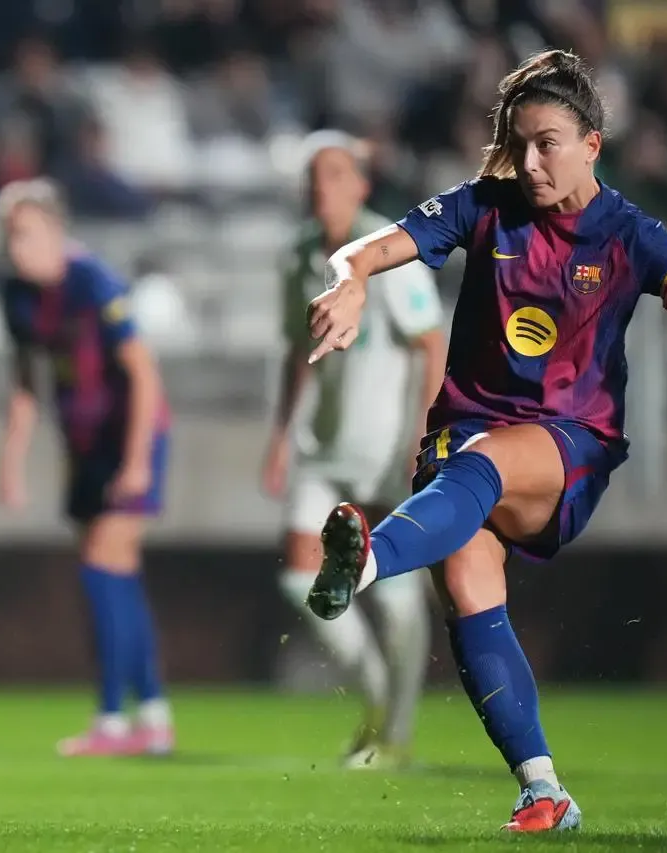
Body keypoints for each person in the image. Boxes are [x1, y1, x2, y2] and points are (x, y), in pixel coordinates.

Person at [301, 49, 667, 833]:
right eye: (517, 144)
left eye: (546, 142)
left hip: (566, 442)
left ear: (592, 143)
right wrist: (347, 280)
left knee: (479, 469)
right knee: (470, 594)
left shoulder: (630, 234)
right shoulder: (485, 205)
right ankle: (542, 787)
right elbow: (369, 247)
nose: (528, 161)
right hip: (463, 441)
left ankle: (370, 558)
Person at [264, 130, 447, 770]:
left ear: (361, 185)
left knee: (396, 597)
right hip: (323, 446)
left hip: (387, 451)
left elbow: (430, 344)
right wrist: (282, 436)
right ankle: (374, 700)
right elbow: (298, 351)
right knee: (297, 576)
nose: (323, 187)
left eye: (337, 174)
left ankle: (393, 734)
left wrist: (425, 438)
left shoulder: (388, 251)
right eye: (316, 176)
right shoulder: (298, 257)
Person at [0, 178, 175, 757]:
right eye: (9, 237)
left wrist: (138, 462)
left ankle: (111, 720)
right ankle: (152, 717)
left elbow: (144, 373)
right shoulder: (17, 296)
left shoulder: (94, 282)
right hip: (85, 445)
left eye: (24, 234)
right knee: (114, 571)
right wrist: (12, 461)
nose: (15, 248)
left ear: (54, 230)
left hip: (131, 437)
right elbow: (27, 382)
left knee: (102, 565)